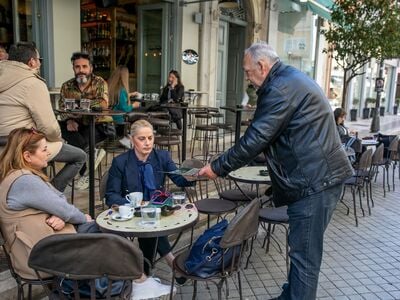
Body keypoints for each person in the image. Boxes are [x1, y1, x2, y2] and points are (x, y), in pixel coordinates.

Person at [199, 42, 354, 300]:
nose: (247, 77)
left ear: (262, 66)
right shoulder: (288, 79)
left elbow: (255, 139)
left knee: (305, 258)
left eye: (248, 71)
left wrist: (217, 167)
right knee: (301, 252)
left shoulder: (280, 88)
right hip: (318, 179)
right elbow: (280, 136)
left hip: (314, 184)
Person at [0, 127, 174, 299]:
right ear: (27, 156)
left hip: (44, 245)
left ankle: (137, 281)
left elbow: (58, 201)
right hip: (41, 254)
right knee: (108, 233)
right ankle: (137, 283)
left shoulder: (19, 176)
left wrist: (60, 214)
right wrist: (78, 217)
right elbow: (63, 206)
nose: (49, 154)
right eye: (44, 150)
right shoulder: (25, 181)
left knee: (107, 231)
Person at [105, 119, 194, 282]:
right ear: (132, 140)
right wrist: (135, 204)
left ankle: (144, 273)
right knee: (149, 222)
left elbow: (179, 179)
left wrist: (197, 174)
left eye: (150, 138)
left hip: (157, 210)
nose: (147, 143)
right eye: (142, 139)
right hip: (133, 214)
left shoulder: (162, 157)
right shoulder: (121, 162)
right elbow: (111, 195)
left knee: (151, 220)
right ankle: (169, 264)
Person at [0, 42, 86, 192]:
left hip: (3, 145)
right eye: (40, 60)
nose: (40, 63)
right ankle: (50, 194)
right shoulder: (32, 83)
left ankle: (41, 192)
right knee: (79, 156)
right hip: (23, 145)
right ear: (32, 62)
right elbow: (48, 127)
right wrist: (57, 139)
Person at [59, 52, 110, 190]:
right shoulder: (66, 86)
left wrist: (79, 109)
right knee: (58, 126)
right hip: (77, 125)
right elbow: (62, 108)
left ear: (91, 68)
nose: (81, 70)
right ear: (73, 68)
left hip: (99, 124)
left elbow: (103, 104)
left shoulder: (99, 82)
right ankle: (90, 158)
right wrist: (69, 120)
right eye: (77, 67)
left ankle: (84, 170)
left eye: (84, 66)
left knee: (78, 142)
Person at [108, 65, 141, 148]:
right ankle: (130, 139)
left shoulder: (113, 87)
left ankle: (128, 138)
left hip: (112, 117)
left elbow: (118, 98)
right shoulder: (121, 89)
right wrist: (134, 105)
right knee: (140, 115)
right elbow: (124, 108)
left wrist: (130, 94)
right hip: (119, 119)